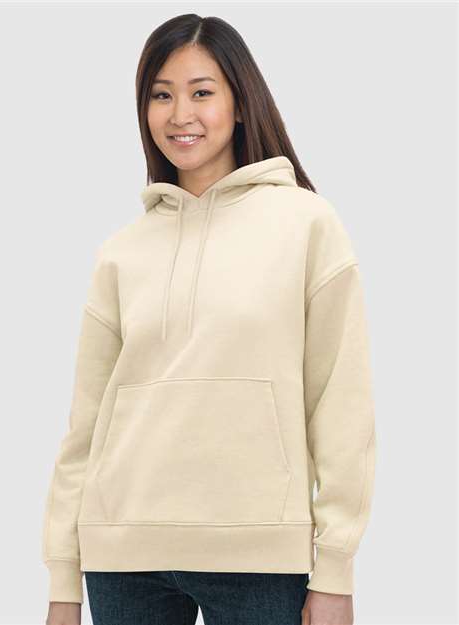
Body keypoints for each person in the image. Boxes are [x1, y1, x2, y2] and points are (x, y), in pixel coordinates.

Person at [43, 13, 376, 625]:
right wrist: (63, 583)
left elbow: (341, 405)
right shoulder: (122, 251)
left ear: (240, 103)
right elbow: (84, 429)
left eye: (201, 92)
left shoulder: (307, 225)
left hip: (260, 556)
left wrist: (336, 568)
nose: (180, 115)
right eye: (161, 95)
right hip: (123, 558)